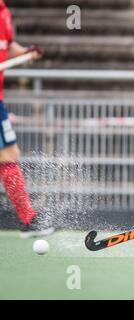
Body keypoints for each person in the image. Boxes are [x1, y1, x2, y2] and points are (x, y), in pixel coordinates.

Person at [0, 0, 53, 238]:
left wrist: (25, 53)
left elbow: (7, 48)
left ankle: (28, 219)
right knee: (8, 156)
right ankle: (28, 219)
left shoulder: (4, 12)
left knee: (9, 156)